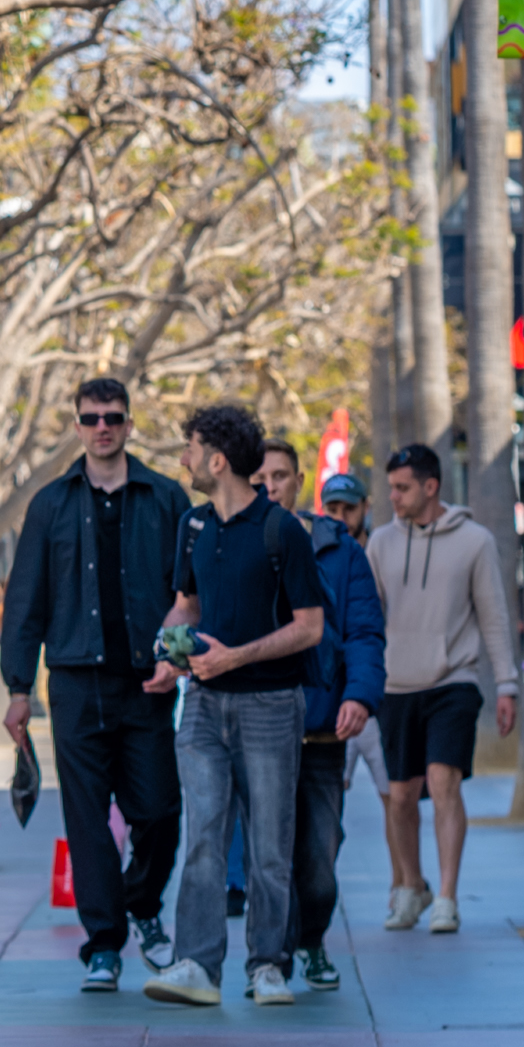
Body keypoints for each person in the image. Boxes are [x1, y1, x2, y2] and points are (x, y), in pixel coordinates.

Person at [0, 374, 193, 989]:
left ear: (130, 423)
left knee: (159, 811)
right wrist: (18, 689)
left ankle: (142, 904)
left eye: (112, 417)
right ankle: (104, 944)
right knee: (86, 821)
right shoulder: (51, 504)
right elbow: (25, 599)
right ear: (77, 426)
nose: (102, 428)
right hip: (76, 685)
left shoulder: (166, 497)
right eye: (90, 418)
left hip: (147, 682)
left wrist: (177, 658)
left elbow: (190, 594)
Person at [142, 403, 325, 1010]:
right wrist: (169, 653)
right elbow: (186, 607)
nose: (184, 458)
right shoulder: (193, 527)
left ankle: (267, 966)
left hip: (271, 705)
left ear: (218, 459)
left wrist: (236, 657)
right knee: (205, 836)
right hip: (201, 705)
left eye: (191, 447)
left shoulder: (282, 531)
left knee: (271, 844)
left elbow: (310, 627)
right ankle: (196, 964)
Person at [367, 444, 521, 936]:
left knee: (442, 782)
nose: (393, 496)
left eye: (402, 487)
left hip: (454, 680)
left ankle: (448, 899)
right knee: (401, 795)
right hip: (396, 684)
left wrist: (507, 685)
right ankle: (413, 887)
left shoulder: (474, 541)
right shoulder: (381, 544)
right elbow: (367, 620)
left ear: (431, 487)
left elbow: (494, 618)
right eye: (391, 487)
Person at [289, 468, 388, 990]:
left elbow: (367, 633)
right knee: (268, 855)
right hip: (260, 733)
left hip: (325, 734)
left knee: (319, 862)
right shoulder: (231, 542)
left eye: (281, 476)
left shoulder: (343, 553)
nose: (272, 485)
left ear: (297, 482)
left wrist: (360, 696)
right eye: (262, 476)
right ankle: (271, 959)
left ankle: (312, 939)